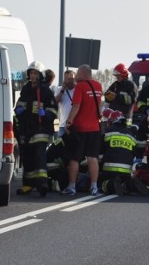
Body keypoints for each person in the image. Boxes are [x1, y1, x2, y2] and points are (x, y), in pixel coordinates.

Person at [14, 60, 58, 197]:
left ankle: (42, 184)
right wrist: (19, 109)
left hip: (41, 129)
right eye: (31, 73)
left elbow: (53, 109)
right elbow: (18, 105)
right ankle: (28, 184)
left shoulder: (45, 91)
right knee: (27, 157)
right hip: (26, 128)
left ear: (40, 75)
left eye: (35, 73)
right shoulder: (26, 89)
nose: (33, 76)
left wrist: (45, 114)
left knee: (39, 155)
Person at [61, 64, 103, 196]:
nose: (76, 77)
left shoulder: (80, 86)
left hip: (80, 128)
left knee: (75, 158)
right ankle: (94, 187)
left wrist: (69, 121)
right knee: (92, 157)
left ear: (84, 74)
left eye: (78, 74)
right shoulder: (98, 86)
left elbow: (76, 106)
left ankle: (72, 187)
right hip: (95, 128)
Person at [99, 110, 148, 196]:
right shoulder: (131, 135)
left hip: (109, 170)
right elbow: (133, 153)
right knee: (125, 182)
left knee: (101, 184)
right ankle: (129, 185)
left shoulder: (107, 132)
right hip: (126, 171)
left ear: (111, 121)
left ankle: (112, 184)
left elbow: (99, 151)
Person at [54, 69, 76, 138]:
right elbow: (54, 102)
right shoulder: (59, 89)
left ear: (74, 79)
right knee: (61, 147)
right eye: (66, 79)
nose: (68, 81)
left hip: (75, 125)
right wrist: (62, 90)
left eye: (70, 79)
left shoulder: (78, 89)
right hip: (62, 125)